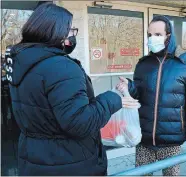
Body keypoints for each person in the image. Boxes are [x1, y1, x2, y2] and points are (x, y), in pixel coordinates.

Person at [6, 3, 137, 176]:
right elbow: (80, 122)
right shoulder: (62, 66)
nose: (72, 35)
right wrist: (113, 98)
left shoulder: (20, 62)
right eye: (70, 29)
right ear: (56, 31)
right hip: (69, 162)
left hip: (33, 159)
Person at [117, 15, 186, 176]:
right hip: (144, 139)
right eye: (150, 35)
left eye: (158, 34)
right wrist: (129, 87)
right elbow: (138, 95)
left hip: (171, 140)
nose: (152, 38)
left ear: (168, 36)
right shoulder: (143, 64)